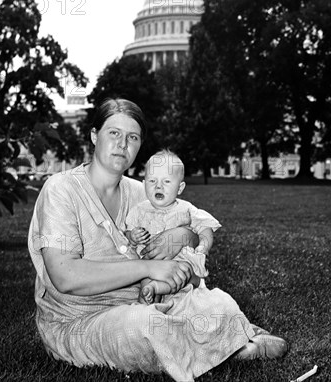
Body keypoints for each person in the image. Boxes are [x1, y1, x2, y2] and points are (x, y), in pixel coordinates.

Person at [28, 98, 288, 382]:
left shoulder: (143, 192)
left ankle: (224, 335)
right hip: (80, 320)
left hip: (146, 299)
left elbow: (190, 229)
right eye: (113, 133)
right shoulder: (61, 189)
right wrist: (148, 268)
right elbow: (65, 276)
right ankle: (234, 347)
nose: (122, 143)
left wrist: (182, 235)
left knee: (213, 300)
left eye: (133, 137)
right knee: (141, 326)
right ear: (94, 136)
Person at [125, 149, 221, 304]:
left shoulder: (186, 209)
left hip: (180, 263)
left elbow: (205, 228)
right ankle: (149, 303)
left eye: (167, 181)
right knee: (146, 282)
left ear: (180, 188)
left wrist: (203, 247)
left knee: (186, 274)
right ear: (144, 185)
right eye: (152, 181)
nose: (158, 187)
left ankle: (158, 289)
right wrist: (133, 236)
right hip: (152, 265)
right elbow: (128, 233)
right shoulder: (139, 210)